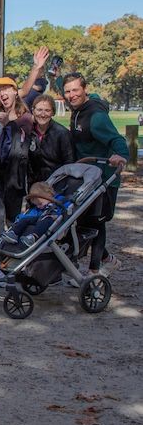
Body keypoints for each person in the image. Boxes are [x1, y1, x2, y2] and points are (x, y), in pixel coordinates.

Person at [63, 72, 128, 274]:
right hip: (87, 176)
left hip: (104, 176)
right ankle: (108, 259)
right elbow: (61, 83)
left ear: (85, 90)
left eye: (75, 90)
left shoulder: (95, 116)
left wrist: (121, 155)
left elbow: (117, 140)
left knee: (96, 222)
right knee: (83, 221)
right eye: (67, 91)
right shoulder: (78, 110)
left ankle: (94, 271)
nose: (71, 95)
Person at [0, 76, 36, 239]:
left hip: (15, 174)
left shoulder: (25, 117)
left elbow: (21, 148)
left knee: (12, 218)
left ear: (15, 91)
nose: (2, 94)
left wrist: (8, 122)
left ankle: (14, 251)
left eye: (6, 89)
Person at [0, 182, 69, 248]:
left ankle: (33, 237)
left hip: (53, 219)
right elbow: (32, 214)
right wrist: (20, 218)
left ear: (49, 195)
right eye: (36, 205)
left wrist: (60, 213)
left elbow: (67, 207)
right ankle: (14, 233)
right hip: (39, 218)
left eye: (40, 204)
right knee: (25, 219)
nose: (38, 206)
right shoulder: (39, 208)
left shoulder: (60, 199)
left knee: (46, 220)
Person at [28, 94, 75, 183]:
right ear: (33, 111)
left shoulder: (62, 133)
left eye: (47, 110)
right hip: (35, 183)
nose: (42, 114)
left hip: (57, 182)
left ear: (53, 112)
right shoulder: (29, 131)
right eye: (39, 110)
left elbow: (69, 163)